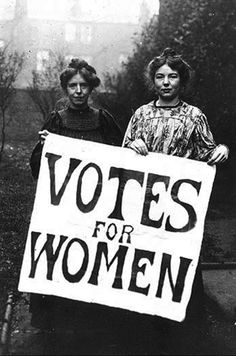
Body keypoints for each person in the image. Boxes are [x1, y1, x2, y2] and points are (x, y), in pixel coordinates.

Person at [122, 47, 229, 354]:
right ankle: (146, 329)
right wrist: (134, 144)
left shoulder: (194, 116)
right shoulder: (141, 115)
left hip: (180, 208)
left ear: (182, 80)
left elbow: (208, 152)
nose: (166, 82)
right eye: (160, 76)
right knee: (145, 263)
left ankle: (187, 331)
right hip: (145, 206)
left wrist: (221, 149)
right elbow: (123, 155)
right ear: (152, 80)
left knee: (181, 264)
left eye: (172, 76)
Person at [29, 58, 123, 355]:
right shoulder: (55, 121)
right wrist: (45, 147)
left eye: (84, 85)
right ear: (65, 88)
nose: (79, 91)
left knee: (94, 262)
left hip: (97, 207)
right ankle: (60, 327)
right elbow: (36, 168)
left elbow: (123, 161)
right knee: (62, 260)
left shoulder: (103, 119)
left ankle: (93, 325)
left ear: (91, 87)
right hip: (63, 208)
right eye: (73, 86)